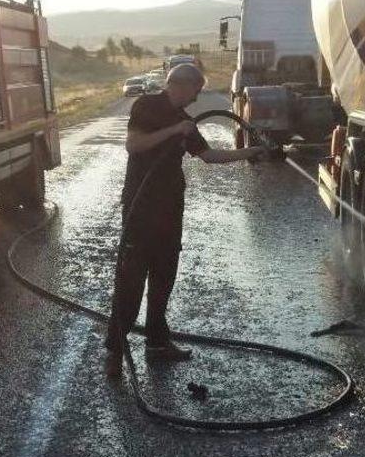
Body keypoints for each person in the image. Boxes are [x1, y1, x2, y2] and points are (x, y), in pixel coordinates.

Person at [105, 63, 266, 375]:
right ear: (180, 85)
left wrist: (252, 152)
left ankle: (156, 342)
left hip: (169, 210)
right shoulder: (147, 105)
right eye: (196, 90)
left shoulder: (186, 122)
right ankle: (114, 350)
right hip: (140, 208)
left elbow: (209, 156)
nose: (196, 98)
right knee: (131, 281)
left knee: (164, 279)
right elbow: (134, 144)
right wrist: (173, 131)